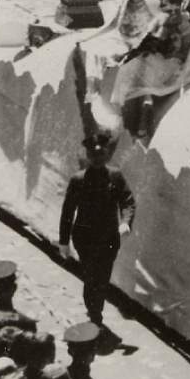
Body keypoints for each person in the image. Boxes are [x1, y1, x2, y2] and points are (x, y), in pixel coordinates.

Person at [58, 127, 134, 333]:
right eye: (93, 154)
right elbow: (68, 211)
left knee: (102, 277)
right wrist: (63, 242)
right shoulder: (78, 180)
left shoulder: (115, 176)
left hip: (109, 238)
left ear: (107, 154)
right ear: (88, 156)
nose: (97, 158)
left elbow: (127, 201)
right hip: (85, 238)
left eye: (101, 154)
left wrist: (126, 221)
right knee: (92, 277)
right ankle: (95, 316)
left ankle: (95, 312)